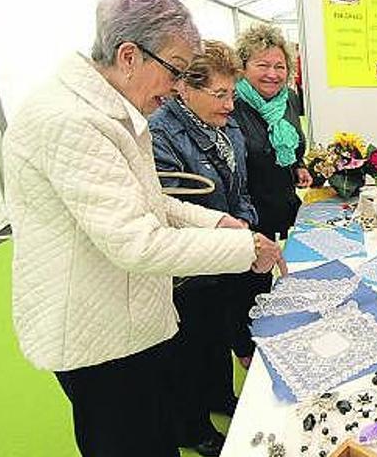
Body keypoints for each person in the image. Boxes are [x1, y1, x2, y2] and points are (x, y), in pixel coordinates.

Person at [2, 0, 281, 457]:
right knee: (130, 440)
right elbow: (137, 241)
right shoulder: (72, 119)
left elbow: (151, 200)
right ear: (129, 55)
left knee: (154, 431)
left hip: (128, 317)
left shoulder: (112, 108)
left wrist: (216, 226)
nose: (175, 87)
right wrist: (244, 250)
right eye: (174, 70)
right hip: (96, 334)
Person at [149, 40, 254, 455]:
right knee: (189, 347)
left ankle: (219, 397)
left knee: (216, 337)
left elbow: (238, 186)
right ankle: (193, 428)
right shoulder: (159, 133)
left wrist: (244, 220)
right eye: (220, 94)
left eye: (232, 93)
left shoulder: (223, 125)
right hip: (190, 265)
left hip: (224, 253)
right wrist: (228, 229)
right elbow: (173, 208)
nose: (230, 104)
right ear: (185, 90)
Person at [229, 23, 310, 364]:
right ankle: (247, 351)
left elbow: (290, 146)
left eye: (279, 66)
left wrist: (299, 166)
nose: (273, 74)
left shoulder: (287, 99)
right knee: (248, 285)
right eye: (263, 65)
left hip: (281, 204)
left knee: (278, 276)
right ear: (243, 67)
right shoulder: (232, 104)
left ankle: (274, 332)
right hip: (248, 213)